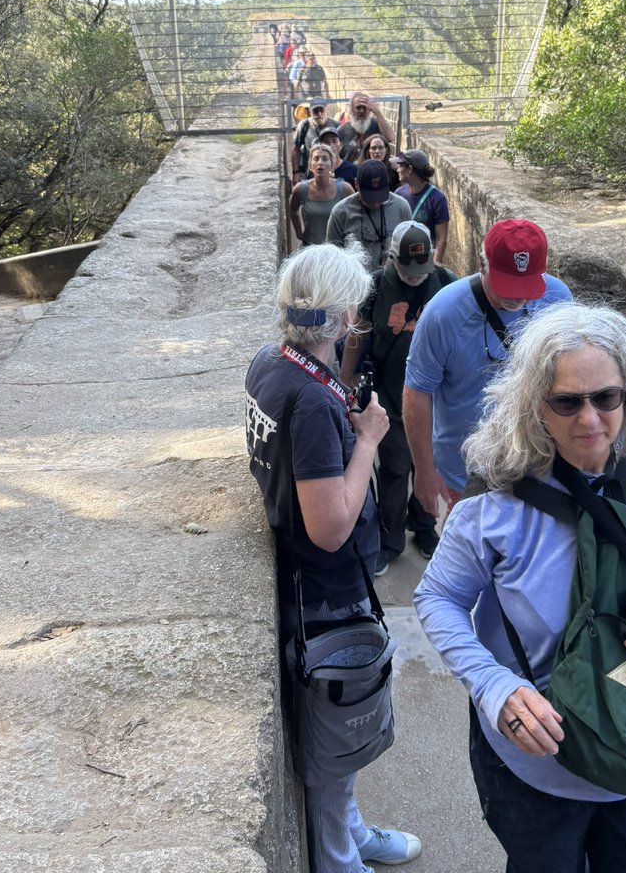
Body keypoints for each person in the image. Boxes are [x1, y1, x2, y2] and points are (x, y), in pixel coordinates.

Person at [414, 302, 626, 873]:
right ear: (534, 404)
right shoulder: (498, 498)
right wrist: (494, 686)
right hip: (539, 765)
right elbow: (438, 597)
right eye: (567, 402)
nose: (590, 419)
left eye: (606, 398)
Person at [245, 244, 422, 873]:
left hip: (306, 580)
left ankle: (350, 833)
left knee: (340, 730)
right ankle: (341, 861)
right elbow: (329, 528)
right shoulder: (316, 402)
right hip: (323, 589)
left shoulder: (271, 362)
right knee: (336, 729)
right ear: (345, 315)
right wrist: (367, 439)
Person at [403, 219, 572, 516]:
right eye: (508, 286)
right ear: (482, 265)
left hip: (538, 464)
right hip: (467, 473)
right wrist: (425, 470)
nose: (518, 297)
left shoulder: (557, 300)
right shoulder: (443, 314)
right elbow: (416, 392)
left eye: (527, 285)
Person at [341, 221, 456, 574]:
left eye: (422, 267)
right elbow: (358, 334)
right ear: (392, 259)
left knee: (430, 466)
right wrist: (345, 379)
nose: (417, 275)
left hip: (434, 401)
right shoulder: (376, 286)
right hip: (390, 399)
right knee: (395, 470)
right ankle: (390, 540)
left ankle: (423, 525)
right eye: (409, 268)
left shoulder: (446, 283)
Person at [326, 160, 411, 272]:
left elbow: (408, 248)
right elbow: (333, 256)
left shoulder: (401, 207)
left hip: (390, 278)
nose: (375, 202)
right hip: (355, 278)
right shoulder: (341, 212)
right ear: (356, 184)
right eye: (369, 197)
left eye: (380, 196)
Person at [392, 149, 450, 266]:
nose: (397, 169)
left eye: (401, 166)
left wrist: (435, 262)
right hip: (402, 258)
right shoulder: (399, 194)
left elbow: (441, 238)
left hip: (425, 259)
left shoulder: (437, 198)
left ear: (410, 169)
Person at [290, 144, 355, 246]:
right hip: (310, 248)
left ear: (332, 165)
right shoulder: (301, 189)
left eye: (325, 159)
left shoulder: (344, 189)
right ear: (310, 165)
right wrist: (298, 232)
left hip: (337, 249)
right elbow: (293, 209)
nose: (320, 163)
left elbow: (357, 212)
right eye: (316, 159)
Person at [337, 92, 395, 161]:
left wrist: (377, 112)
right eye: (358, 108)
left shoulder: (376, 125)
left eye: (365, 107)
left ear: (369, 109)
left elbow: (390, 138)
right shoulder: (342, 130)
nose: (362, 111)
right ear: (351, 110)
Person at [290, 99, 330, 184]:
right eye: (316, 111)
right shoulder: (304, 125)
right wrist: (296, 173)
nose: (319, 114)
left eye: (321, 110)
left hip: (330, 173)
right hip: (309, 174)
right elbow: (296, 149)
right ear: (310, 112)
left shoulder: (335, 125)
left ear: (326, 110)